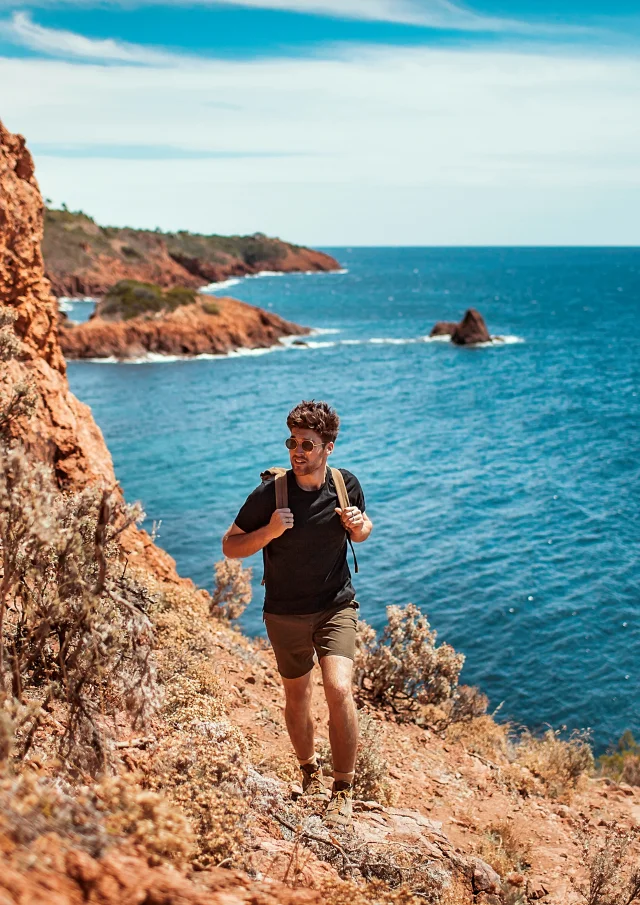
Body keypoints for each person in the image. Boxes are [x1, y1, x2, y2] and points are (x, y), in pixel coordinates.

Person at [222, 400, 372, 828]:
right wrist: (270, 530)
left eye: (307, 443)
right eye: (292, 441)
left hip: (334, 607)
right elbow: (230, 546)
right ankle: (309, 772)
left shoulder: (345, 485)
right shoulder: (271, 493)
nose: (297, 450)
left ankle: (342, 790)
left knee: (339, 689)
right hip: (284, 613)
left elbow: (364, 529)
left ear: (329, 447)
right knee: (297, 698)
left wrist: (359, 526)